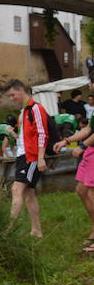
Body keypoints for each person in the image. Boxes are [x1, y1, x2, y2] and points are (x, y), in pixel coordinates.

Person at [52, 74, 94, 253]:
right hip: (91, 152)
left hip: (91, 150)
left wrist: (83, 145)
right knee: (81, 190)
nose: (91, 86)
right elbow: (88, 129)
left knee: (91, 192)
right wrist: (67, 141)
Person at [5, 78, 48, 238]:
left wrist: (41, 158)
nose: (11, 98)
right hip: (23, 154)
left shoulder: (36, 108)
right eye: (9, 96)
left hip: (32, 156)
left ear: (21, 90)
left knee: (16, 189)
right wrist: (14, 134)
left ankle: (8, 231)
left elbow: (42, 133)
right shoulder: (23, 111)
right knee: (29, 193)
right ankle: (36, 230)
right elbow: (24, 137)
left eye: (12, 95)